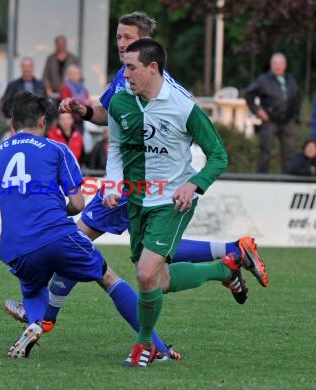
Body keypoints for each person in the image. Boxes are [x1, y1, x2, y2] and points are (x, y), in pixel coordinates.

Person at [5, 12, 261, 346]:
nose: (120, 44)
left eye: (127, 38)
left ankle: (43, 318)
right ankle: (229, 257)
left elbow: (207, 149)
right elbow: (111, 118)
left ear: (145, 44)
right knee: (155, 269)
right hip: (127, 183)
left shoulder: (160, 87)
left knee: (76, 243)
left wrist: (175, 182)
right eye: (118, 37)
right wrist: (84, 112)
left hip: (137, 187)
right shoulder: (127, 76)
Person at [0, 90, 177, 362]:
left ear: (12, 123)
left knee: (32, 289)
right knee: (108, 278)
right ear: (43, 121)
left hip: (17, 247)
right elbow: (78, 204)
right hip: (58, 234)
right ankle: (157, 347)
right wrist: (59, 209)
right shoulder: (56, 149)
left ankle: (35, 322)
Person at [104, 38, 268, 367]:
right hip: (137, 202)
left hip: (172, 202)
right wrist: (111, 184)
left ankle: (145, 344)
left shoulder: (182, 106)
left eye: (131, 68)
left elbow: (218, 156)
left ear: (153, 68)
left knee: (146, 272)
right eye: (124, 67)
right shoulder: (120, 104)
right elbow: (115, 148)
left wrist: (193, 185)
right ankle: (223, 269)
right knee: (157, 280)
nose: (125, 74)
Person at [245, 53, 301, 173]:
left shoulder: (290, 79)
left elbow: (297, 97)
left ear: (285, 65)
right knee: (265, 151)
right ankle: (262, 180)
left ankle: (288, 180)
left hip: (287, 121)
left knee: (289, 152)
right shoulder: (263, 79)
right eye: (275, 63)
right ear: (271, 65)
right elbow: (249, 94)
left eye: (280, 63)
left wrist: (295, 117)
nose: (278, 66)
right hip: (270, 120)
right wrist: (258, 110)